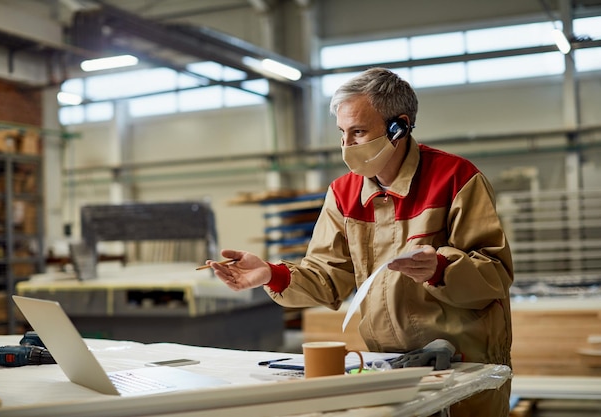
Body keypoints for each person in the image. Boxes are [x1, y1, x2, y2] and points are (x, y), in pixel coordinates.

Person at [206, 67, 513, 417]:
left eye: (359, 132)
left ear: (399, 126)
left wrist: (440, 269)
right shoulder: (343, 193)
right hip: (388, 367)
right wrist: (270, 275)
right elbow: (327, 278)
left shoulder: (456, 179)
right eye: (342, 132)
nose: (346, 145)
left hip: (463, 365)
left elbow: (495, 275)